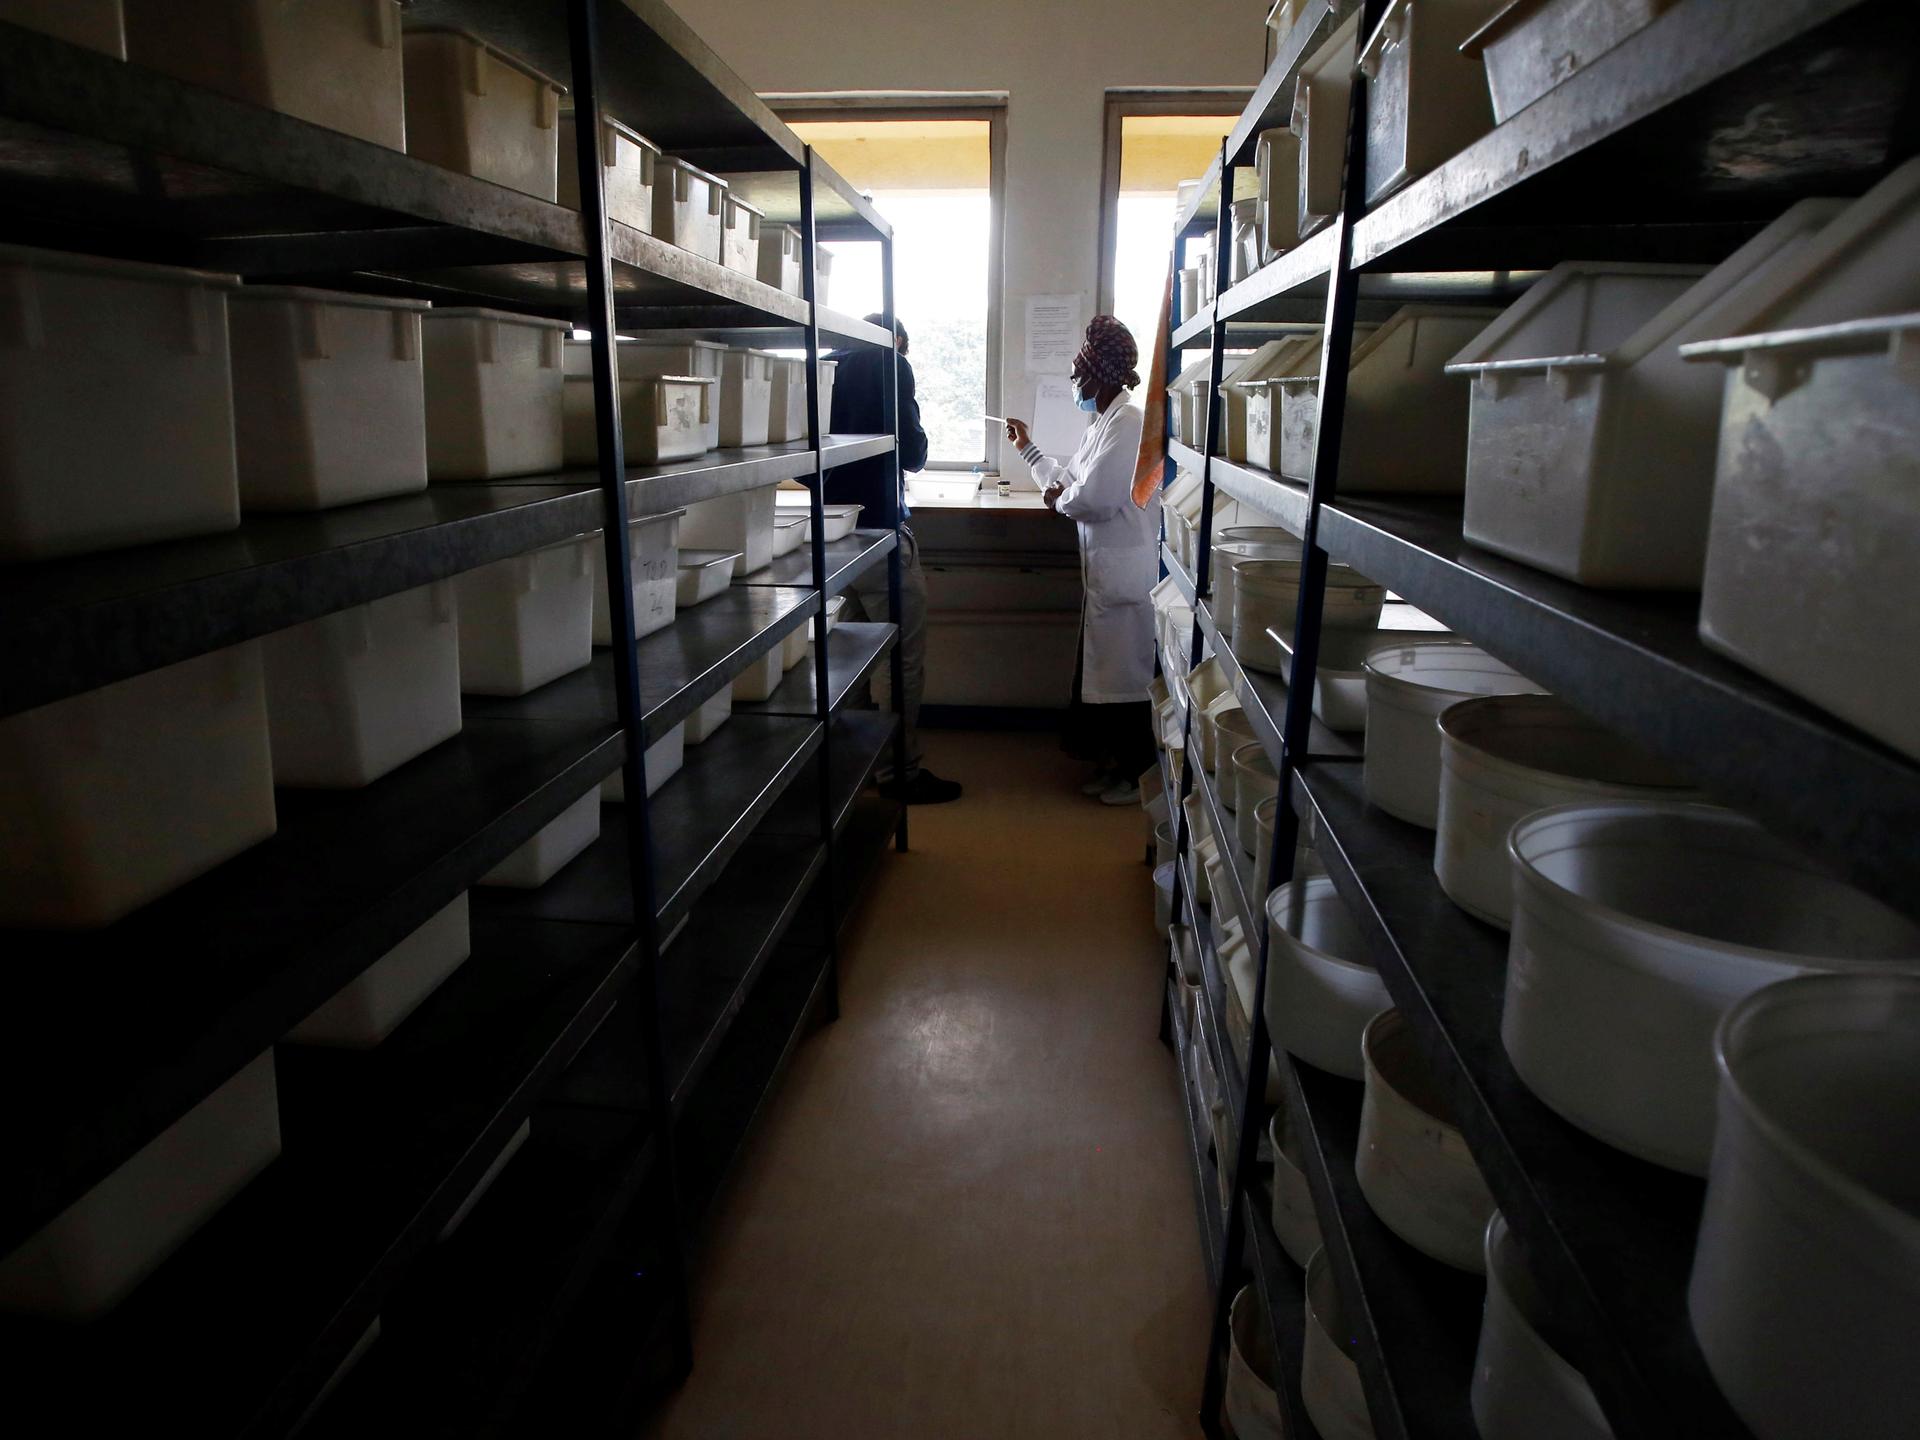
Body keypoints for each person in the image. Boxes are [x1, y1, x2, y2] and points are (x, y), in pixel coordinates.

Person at [1005, 316, 1160, 805]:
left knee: (1127, 682)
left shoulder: (1128, 423)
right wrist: (1028, 450)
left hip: (1125, 573)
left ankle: (1136, 777)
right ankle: (1116, 769)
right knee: (1104, 678)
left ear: (1100, 375)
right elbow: (1068, 480)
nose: (1074, 380)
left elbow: (1094, 499)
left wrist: (1060, 500)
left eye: (1078, 372)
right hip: (1106, 573)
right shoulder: (1103, 424)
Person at [827, 315, 961, 805]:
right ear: (898, 341)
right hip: (881, 534)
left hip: (832, 536)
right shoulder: (891, 363)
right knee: (900, 661)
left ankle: (857, 766)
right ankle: (899, 772)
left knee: (851, 658)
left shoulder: (824, 368)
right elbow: (915, 454)